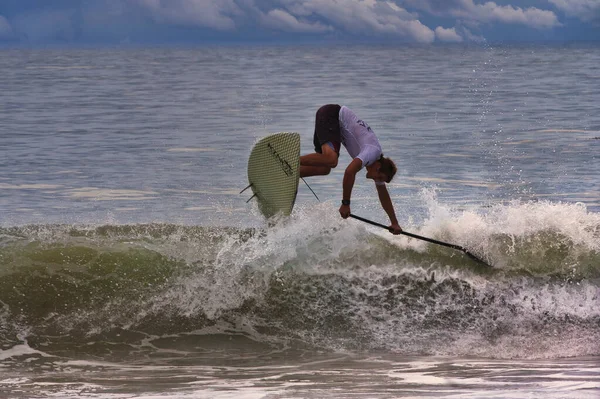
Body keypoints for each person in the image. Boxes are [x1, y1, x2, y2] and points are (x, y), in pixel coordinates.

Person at [300, 104, 402, 234]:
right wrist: (346, 203)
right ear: (378, 166)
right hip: (332, 115)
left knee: (324, 168)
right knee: (331, 160)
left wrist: (394, 222)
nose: (377, 180)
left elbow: (383, 193)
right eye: (380, 177)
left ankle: (292, 172)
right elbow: (349, 171)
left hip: (332, 123)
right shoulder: (372, 152)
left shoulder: (374, 160)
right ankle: (289, 160)